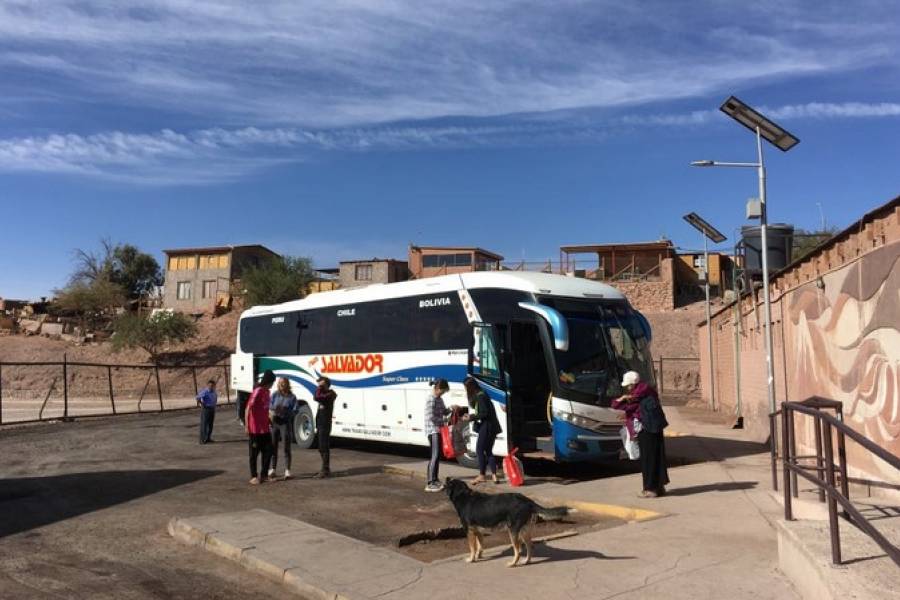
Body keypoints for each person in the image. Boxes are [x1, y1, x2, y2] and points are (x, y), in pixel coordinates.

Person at [619, 370, 669, 497]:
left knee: (648, 459)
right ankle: (659, 487)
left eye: (628, 386)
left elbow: (617, 405)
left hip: (647, 429)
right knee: (656, 458)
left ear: (633, 384)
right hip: (655, 428)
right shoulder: (647, 391)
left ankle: (650, 489)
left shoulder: (638, 394)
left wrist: (623, 399)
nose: (628, 389)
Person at [463, 377, 501, 485]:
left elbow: (484, 413)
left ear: (470, 387)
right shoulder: (483, 394)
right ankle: (494, 476)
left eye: (466, 387)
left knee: (479, 450)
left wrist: (470, 418)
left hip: (487, 426)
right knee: (488, 450)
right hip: (493, 426)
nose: (465, 390)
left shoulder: (480, 397)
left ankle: (482, 475)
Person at [246, 370, 276, 485]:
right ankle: (253, 476)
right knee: (254, 453)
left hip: (265, 428)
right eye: (272, 381)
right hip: (255, 429)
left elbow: (265, 409)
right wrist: (247, 426)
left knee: (268, 451)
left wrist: (269, 419)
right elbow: (248, 408)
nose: (272, 384)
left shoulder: (267, 392)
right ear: (267, 381)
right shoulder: (257, 391)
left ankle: (264, 475)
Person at [424, 378, 451, 492]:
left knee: (437, 455)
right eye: (443, 391)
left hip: (438, 429)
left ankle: (435, 479)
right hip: (433, 430)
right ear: (438, 388)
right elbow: (431, 417)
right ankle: (430, 482)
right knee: (434, 455)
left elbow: (443, 411)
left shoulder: (439, 399)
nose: (443, 393)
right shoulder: (431, 399)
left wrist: (450, 409)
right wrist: (442, 421)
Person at [269, 377, 298, 480]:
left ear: (287, 384)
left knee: (286, 447)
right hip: (275, 422)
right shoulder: (274, 394)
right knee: (273, 446)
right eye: (280, 382)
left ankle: (287, 470)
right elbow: (270, 406)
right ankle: (273, 469)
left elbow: (295, 410)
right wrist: (272, 412)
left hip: (285, 423)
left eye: (284, 382)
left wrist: (286, 412)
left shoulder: (292, 397)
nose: (282, 384)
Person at [313, 376, 337, 478]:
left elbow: (316, 397)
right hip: (320, 423)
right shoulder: (324, 393)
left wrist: (320, 388)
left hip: (325, 424)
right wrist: (320, 388)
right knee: (320, 447)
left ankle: (325, 470)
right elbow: (317, 396)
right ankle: (325, 468)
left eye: (321, 385)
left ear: (326, 384)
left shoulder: (330, 394)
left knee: (324, 446)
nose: (319, 386)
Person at [196, 379, 218, 444]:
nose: (211, 387)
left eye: (213, 385)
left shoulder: (214, 392)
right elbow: (197, 397)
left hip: (212, 409)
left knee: (210, 425)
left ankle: (208, 438)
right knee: (204, 425)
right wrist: (202, 404)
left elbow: (215, 399)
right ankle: (202, 440)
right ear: (208, 385)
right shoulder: (205, 391)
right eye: (210, 385)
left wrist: (214, 405)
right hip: (206, 409)